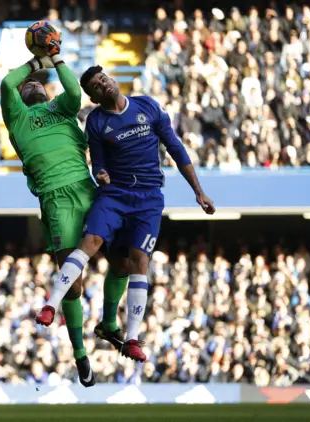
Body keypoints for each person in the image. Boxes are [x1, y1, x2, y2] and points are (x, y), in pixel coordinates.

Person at [36, 65, 215, 362]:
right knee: (90, 242)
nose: (102, 84)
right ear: (93, 97)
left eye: (103, 78)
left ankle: (131, 337)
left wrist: (198, 190)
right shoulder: (96, 121)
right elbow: (98, 163)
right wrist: (102, 174)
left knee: (137, 262)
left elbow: (176, 148)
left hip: (148, 199)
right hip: (115, 195)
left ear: (112, 79)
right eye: (95, 86)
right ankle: (50, 305)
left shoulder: (147, 106)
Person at [0, 33, 129, 387]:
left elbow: (74, 92)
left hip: (87, 189)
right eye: (28, 86)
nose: (33, 87)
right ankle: (80, 354)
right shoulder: (18, 119)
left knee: (124, 260)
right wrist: (37, 62)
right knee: (72, 286)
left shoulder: (61, 107)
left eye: (38, 85)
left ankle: (109, 323)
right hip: (56, 199)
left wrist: (56, 59)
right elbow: (7, 82)